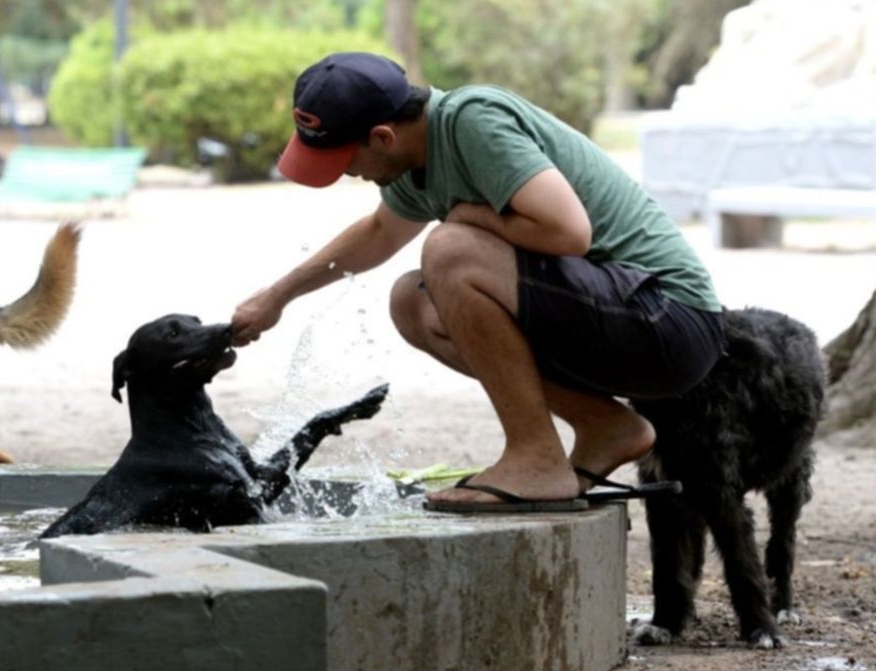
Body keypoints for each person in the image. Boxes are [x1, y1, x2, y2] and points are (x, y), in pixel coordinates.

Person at [230, 52, 724, 512]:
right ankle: (604, 426)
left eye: (344, 160)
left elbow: (568, 231)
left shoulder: (474, 119)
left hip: (669, 321)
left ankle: (537, 458)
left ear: (382, 137)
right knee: (413, 302)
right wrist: (278, 297)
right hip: (617, 317)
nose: (345, 175)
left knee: (450, 250)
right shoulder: (409, 161)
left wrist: (468, 215)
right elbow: (380, 233)